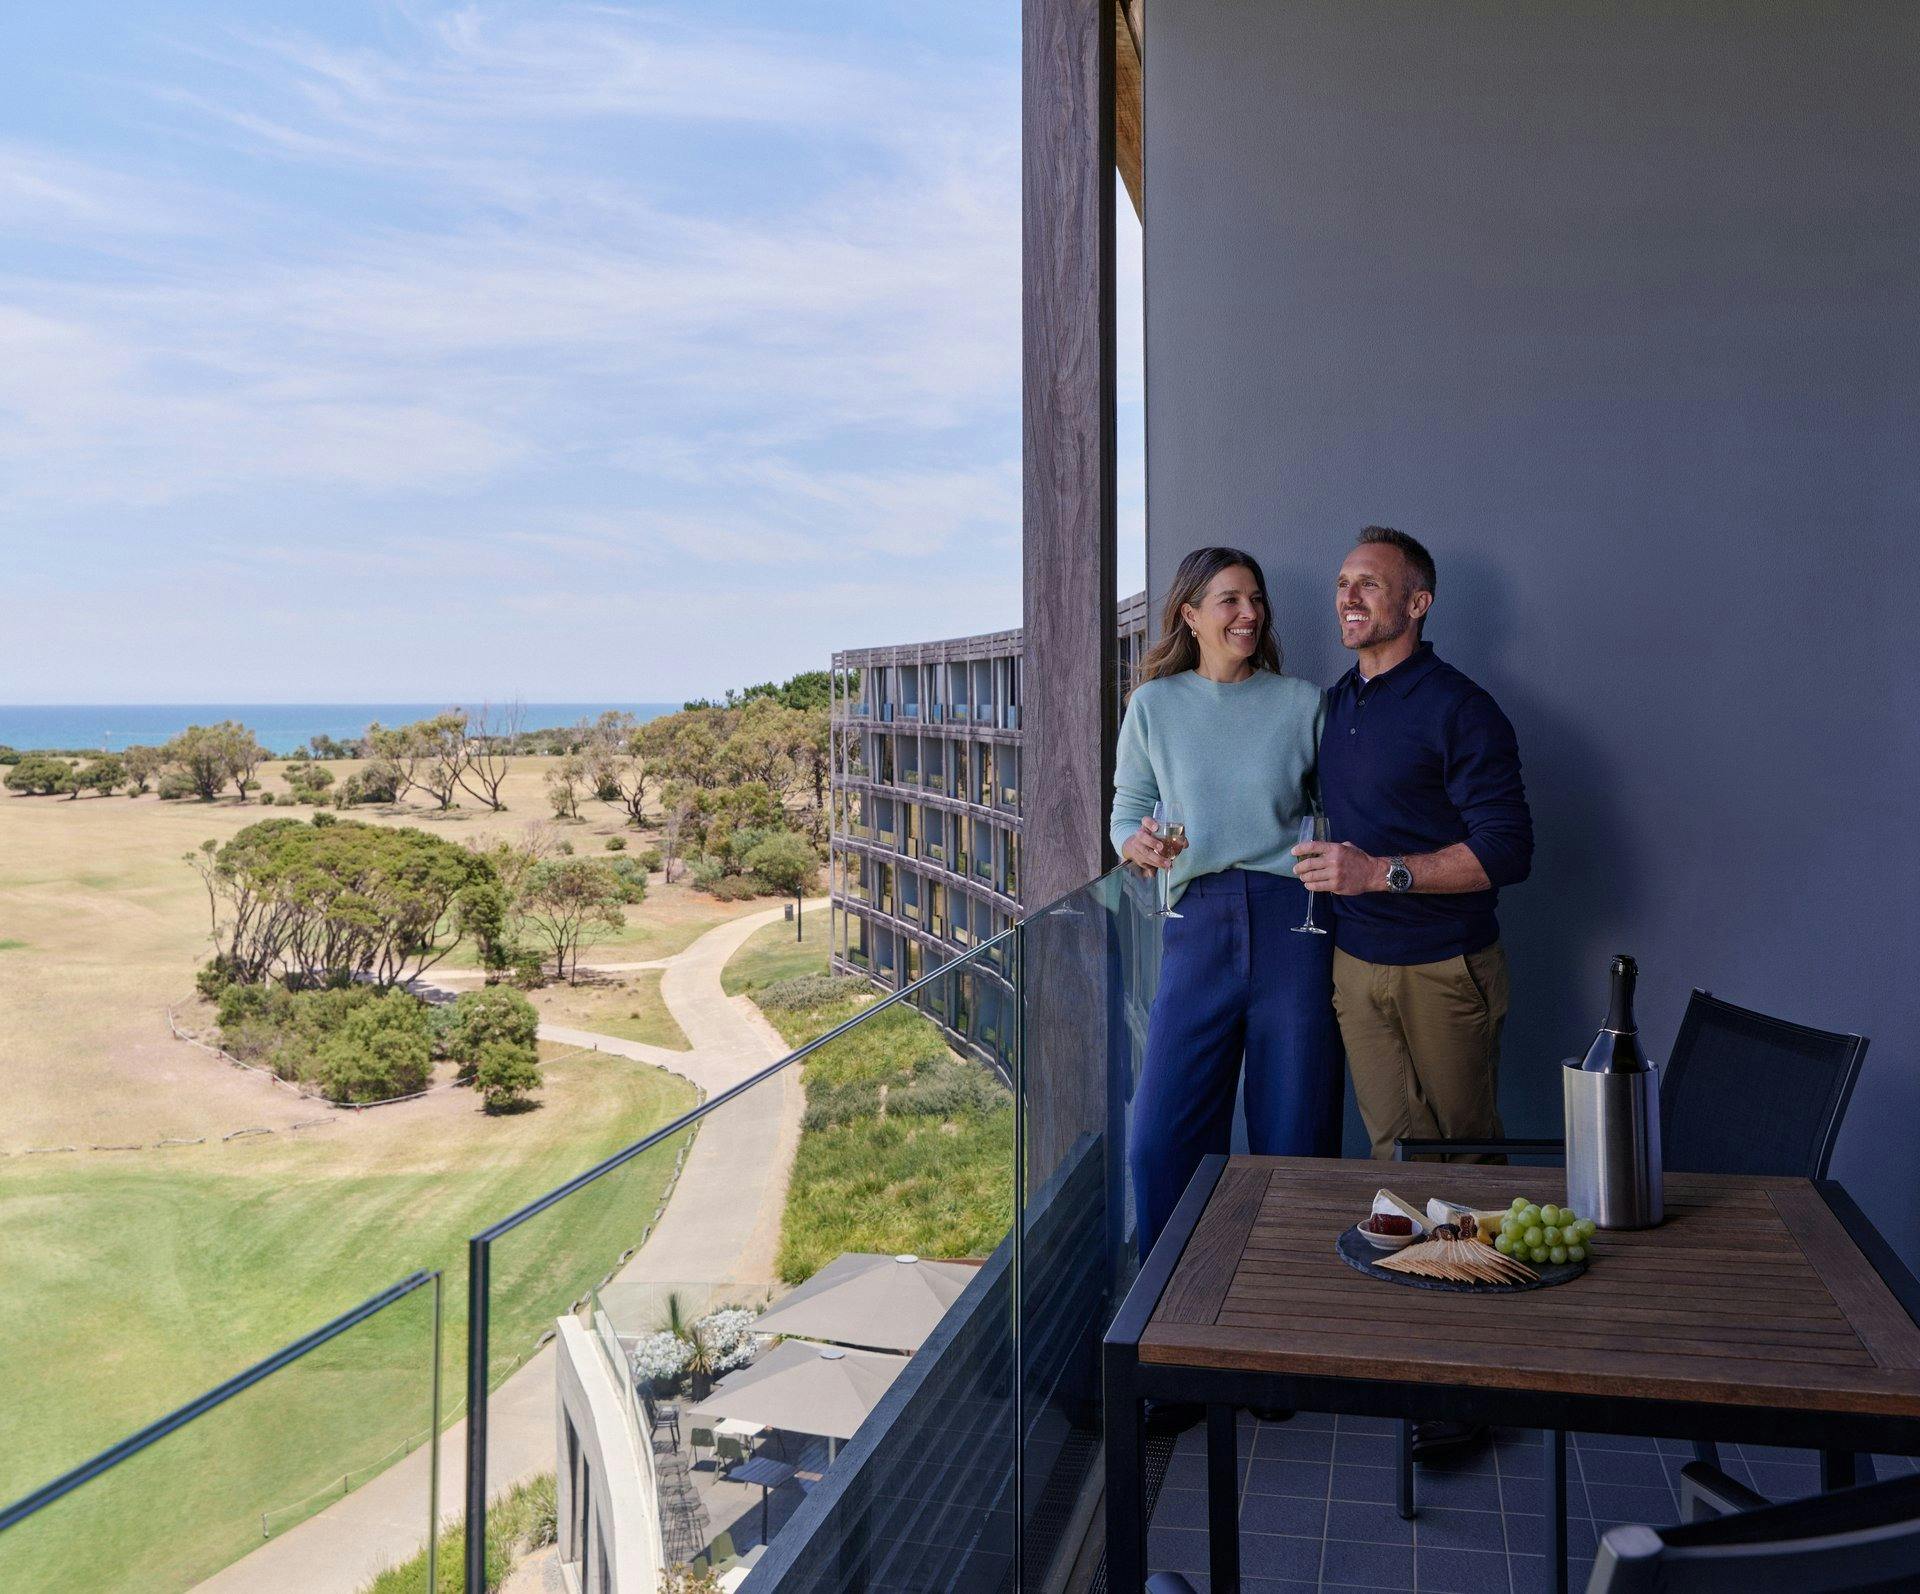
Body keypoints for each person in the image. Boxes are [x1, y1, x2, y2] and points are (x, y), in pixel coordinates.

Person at [1293, 524, 1533, 1460]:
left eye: (1371, 586)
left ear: (1418, 604)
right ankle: (1429, 1358)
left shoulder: (1462, 709)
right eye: (1343, 583)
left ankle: (1481, 1378)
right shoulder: (1333, 705)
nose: (1349, 598)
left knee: (1463, 1164)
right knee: (1395, 1159)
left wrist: (1377, 875)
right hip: (1358, 969)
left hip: (1445, 965)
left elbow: (1507, 852)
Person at [1112, 546, 1344, 1269]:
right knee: (1160, 1143)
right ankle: (1173, 1320)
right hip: (1196, 926)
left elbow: (1331, 810)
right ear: (1191, 614)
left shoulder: (1303, 702)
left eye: (1256, 600)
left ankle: (1285, 1320)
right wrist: (1136, 843)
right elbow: (1127, 809)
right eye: (1231, 601)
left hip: (1293, 926)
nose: (1249, 615)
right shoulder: (1154, 705)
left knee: (1297, 1137)